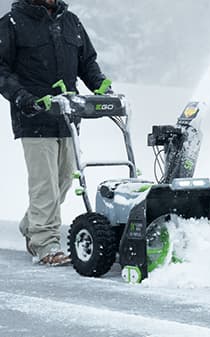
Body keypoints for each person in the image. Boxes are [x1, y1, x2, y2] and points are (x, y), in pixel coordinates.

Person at [0, 0, 111, 265]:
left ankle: (31, 223)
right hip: (34, 115)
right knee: (45, 184)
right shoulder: (13, 22)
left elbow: (87, 62)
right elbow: (1, 70)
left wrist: (101, 86)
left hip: (68, 116)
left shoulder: (70, 21)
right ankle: (44, 243)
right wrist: (23, 97)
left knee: (63, 179)